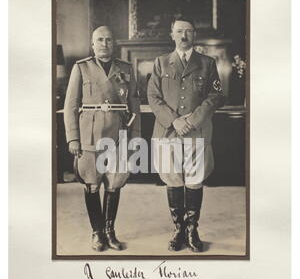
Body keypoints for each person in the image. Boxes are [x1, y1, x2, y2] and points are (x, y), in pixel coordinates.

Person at [147, 17, 225, 253]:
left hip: (196, 132)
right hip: (168, 131)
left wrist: (192, 120)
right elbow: (153, 96)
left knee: (194, 178)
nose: (183, 36)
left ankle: (192, 229)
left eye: (188, 31)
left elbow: (216, 96)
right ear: (172, 35)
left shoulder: (207, 63)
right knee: (172, 178)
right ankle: (178, 229)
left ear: (194, 35)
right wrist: (175, 120)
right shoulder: (161, 63)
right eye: (179, 31)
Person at [64, 26, 140, 252]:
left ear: (113, 43)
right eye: (100, 40)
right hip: (90, 136)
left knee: (114, 184)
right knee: (91, 184)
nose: (104, 43)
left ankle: (110, 231)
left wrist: (135, 138)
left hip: (118, 135)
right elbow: (70, 106)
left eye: (108, 39)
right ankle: (97, 232)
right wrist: (72, 138)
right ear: (92, 43)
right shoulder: (81, 67)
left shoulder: (126, 68)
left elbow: (134, 104)